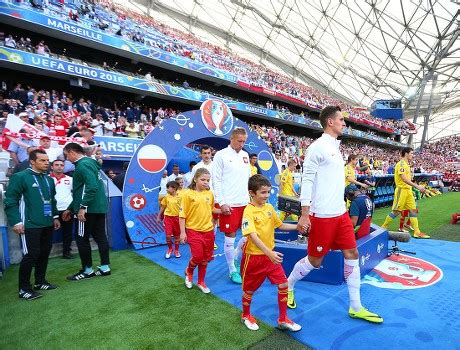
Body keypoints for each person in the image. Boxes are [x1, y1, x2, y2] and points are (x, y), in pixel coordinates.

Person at [286, 106, 383, 323]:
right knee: (314, 261)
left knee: (352, 254)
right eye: (341, 120)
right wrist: (304, 213)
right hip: (322, 216)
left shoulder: (335, 148)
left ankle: (356, 307)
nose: (344, 123)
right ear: (330, 122)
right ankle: (288, 285)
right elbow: (307, 180)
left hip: (340, 214)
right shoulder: (317, 148)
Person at [240, 174, 301, 332]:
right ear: (251, 193)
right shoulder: (248, 211)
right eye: (263, 192)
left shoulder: (269, 208)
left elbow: (280, 225)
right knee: (249, 290)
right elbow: (252, 236)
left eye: (268, 192)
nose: (266, 196)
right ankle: (245, 315)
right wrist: (269, 253)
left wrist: (297, 226)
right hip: (253, 258)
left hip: (270, 257)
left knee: (283, 284)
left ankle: (282, 319)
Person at [4, 149, 61, 300]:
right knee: (31, 255)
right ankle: (24, 289)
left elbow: (51, 200)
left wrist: (55, 216)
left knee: (44, 252)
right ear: (32, 162)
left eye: (47, 160)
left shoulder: (48, 179)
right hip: (29, 224)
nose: (46, 163)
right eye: (42, 160)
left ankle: (40, 282)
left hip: (47, 222)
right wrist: (16, 221)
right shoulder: (20, 177)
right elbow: (10, 201)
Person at [62, 143, 111, 280]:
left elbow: (91, 187)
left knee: (81, 239)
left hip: (87, 210)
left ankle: (87, 270)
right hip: (99, 207)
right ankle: (105, 267)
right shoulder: (91, 164)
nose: (67, 158)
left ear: (72, 152)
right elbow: (82, 190)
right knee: (101, 237)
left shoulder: (82, 165)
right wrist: (71, 208)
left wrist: (82, 207)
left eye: (66, 155)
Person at [212, 127, 251, 284]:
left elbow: (248, 178)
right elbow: (216, 180)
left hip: (245, 203)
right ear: (232, 139)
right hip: (230, 204)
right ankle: (232, 270)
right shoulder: (221, 155)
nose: (242, 144)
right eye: (239, 141)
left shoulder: (245, 155)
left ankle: (235, 257)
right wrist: (222, 202)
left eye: (244, 141)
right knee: (230, 237)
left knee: (248, 235)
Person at [180, 168, 220, 293]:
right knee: (197, 256)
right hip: (193, 230)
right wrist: (182, 232)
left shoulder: (209, 194)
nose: (205, 182)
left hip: (208, 231)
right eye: (203, 179)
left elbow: (212, 209)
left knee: (205, 259)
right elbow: (182, 215)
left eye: (208, 180)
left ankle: (201, 282)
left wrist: (223, 211)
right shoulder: (187, 194)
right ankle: (189, 271)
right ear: (195, 179)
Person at [381, 148, 429, 239]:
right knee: (396, 211)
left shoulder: (407, 164)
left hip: (408, 191)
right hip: (401, 191)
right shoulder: (401, 164)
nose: (412, 155)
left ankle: (417, 232)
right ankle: (383, 227)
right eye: (411, 153)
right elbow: (403, 178)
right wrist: (417, 186)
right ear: (406, 153)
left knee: (413, 210)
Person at [50, 159, 74, 259]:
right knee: (47, 233)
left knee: (67, 232)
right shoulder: (47, 179)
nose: (59, 167)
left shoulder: (70, 179)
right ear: (52, 167)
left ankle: (66, 252)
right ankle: (44, 254)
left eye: (61, 165)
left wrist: (71, 208)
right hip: (51, 210)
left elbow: (74, 193)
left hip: (66, 209)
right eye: (57, 165)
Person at [157, 181, 182, 259]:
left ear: (174, 188)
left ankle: (176, 250)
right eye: (167, 187)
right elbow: (162, 207)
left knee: (177, 236)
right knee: (168, 236)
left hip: (177, 218)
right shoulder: (166, 197)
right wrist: (158, 216)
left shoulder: (181, 197)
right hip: (168, 218)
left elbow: (184, 208)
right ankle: (170, 249)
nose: (167, 189)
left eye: (168, 188)